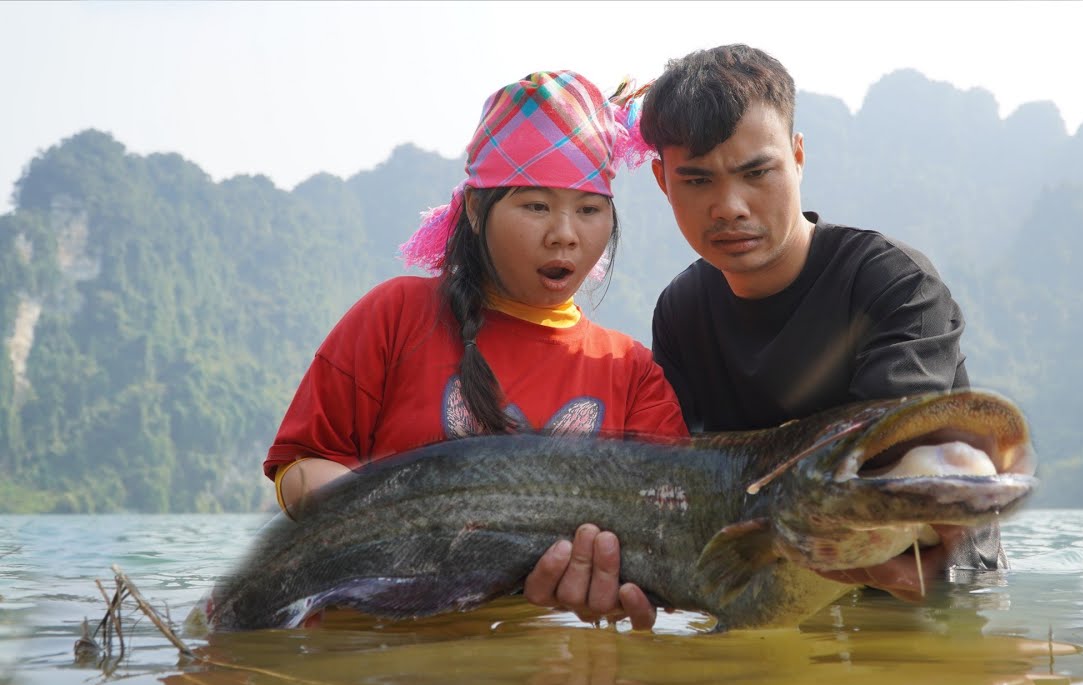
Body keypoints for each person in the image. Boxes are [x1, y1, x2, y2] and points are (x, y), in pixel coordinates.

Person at [526, 44, 1004, 617]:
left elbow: (884, 457)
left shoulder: (892, 283)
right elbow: (679, 490)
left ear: (798, 156)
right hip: (773, 589)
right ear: (661, 180)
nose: (728, 207)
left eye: (756, 172)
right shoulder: (682, 311)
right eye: (697, 180)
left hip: (928, 593)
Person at [263, 71, 688, 630]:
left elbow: (671, 521)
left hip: (535, 659)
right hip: (368, 654)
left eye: (589, 209)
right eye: (536, 206)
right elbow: (300, 462)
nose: (565, 234)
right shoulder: (398, 315)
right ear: (472, 210)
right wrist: (384, 524)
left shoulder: (629, 371)